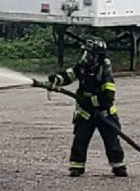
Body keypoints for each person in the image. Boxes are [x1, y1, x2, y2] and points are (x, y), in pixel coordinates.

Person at [48, 37, 128, 177]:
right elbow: (69, 75)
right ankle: (76, 166)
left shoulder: (105, 70)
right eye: (86, 53)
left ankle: (118, 166)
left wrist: (90, 101)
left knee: (112, 141)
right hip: (86, 112)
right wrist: (57, 79)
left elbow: (108, 97)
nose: (87, 57)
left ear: (98, 56)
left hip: (104, 113)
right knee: (80, 139)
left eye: (90, 54)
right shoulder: (83, 66)